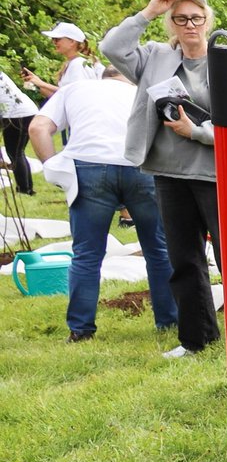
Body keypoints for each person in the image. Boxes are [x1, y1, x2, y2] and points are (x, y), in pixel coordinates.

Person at [100, 0, 227, 359]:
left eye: (196, 18)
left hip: (216, 171)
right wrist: (147, 11)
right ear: (171, 24)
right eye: (180, 18)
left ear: (208, 20)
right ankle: (196, 338)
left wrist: (197, 133)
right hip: (168, 172)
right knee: (183, 258)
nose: (189, 25)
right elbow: (111, 48)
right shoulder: (155, 57)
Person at [26, 67, 179, 342]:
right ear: (129, 78)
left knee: (87, 254)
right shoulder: (142, 91)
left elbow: (37, 128)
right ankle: (168, 321)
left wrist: (52, 167)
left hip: (89, 167)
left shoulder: (74, 89)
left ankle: (81, 329)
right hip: (139, 165)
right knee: (158, 250)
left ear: (102, 77)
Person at [23, 23, 107, 99]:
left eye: (57, 39)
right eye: (53, 39)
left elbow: (77, 94)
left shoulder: (78, 64)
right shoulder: (72, 63)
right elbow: (63, 96)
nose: (54, 42)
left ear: (72, 41)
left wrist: (42, 84)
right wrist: (37, 85)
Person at [1, 69, 39, 195]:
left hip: (17, 114)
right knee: (17, 152)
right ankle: (26, 187)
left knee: (15, 152)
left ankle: (24, 189)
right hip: (26, 111)